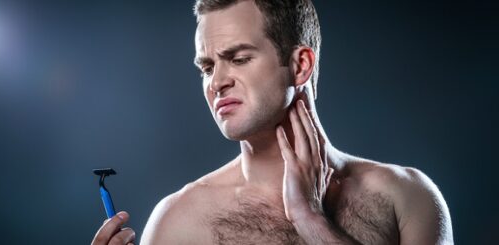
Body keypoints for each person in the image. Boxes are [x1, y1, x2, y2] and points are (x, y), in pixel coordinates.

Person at [92, 0, 453, 244]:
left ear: (300, 65)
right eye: (207, 67)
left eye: (238, 58)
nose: (217, 82)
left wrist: (313, 222)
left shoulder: (406, 197)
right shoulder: (178, 223)